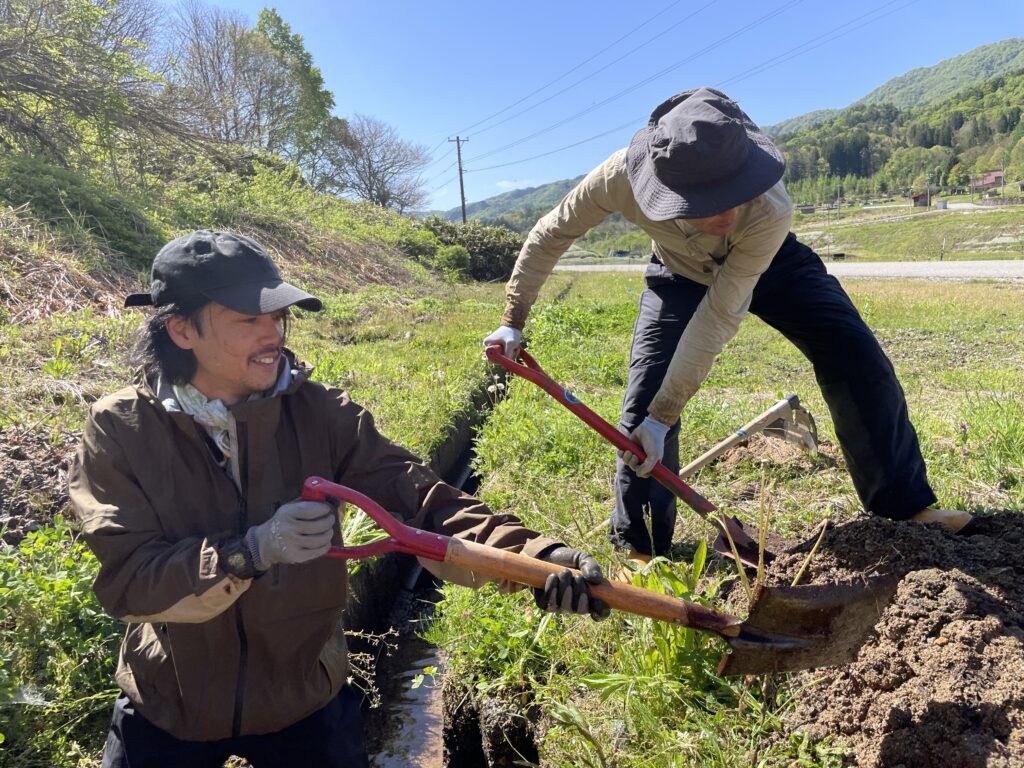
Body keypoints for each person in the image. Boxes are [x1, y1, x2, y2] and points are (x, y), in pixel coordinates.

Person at [69, 230, 609, 768]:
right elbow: (131, 583)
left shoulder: (321, 413)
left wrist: (535, 560)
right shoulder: (122, 429)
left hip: (306, 696)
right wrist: (251, 552)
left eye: (278, 317)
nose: (272, 334)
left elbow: (420, 498)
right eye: (248, 319)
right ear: (181, 329)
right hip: (168, 701)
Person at [484, 86, 971, 561]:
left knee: (856, 357)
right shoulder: (618, 179)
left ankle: (903, 509)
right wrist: (513, 319)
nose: (727, 211)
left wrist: (667, 413)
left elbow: (720, 313)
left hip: (774, 265)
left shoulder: (769, 208)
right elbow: (551, 233)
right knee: (643, 402)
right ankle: (641, 546)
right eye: (707, 201)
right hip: (676, 273)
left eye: (735, 191)